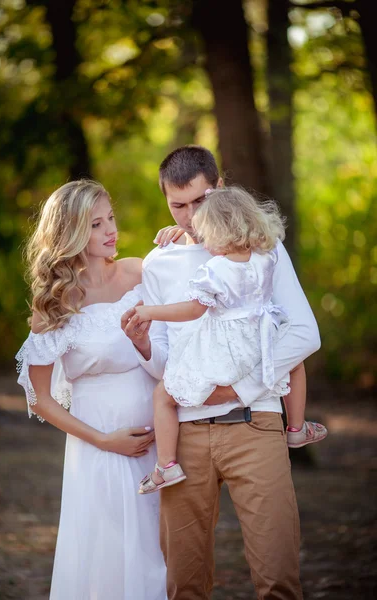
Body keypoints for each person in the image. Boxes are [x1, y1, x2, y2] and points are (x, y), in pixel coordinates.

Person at [121, 145, 321, 600]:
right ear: (166, 202)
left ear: (221, 189)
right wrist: (143, 344)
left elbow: (304, 334)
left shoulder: (262, 249)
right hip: (186, 437)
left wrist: (239, 387)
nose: (191, 216)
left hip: (256, 423)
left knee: (278, 578)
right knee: (185, 583)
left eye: (201, 200)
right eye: (179, 205)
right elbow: (163, 366)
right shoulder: (160, 263)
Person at [15, 180, 167, 600]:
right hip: (99, 446)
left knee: (159, 556)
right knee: (108, 554)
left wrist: (179, 236)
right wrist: (105, 441)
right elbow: (38, 398)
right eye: (96, 223)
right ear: (72, 232)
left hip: (160, 440)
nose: (110, 230)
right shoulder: (56, 302)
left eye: (110, 218)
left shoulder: (141, 272)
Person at [131, 186, 327, 494]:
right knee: (294, 364)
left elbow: (194, 309)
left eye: (206, 233)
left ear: (221, 232)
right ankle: (297, 427)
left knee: (164, 395)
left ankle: (166, 465)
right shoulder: (264, 257)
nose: (202, 241)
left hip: (228, 351)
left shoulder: (216, 268)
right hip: (261, 340)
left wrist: (149, 311)